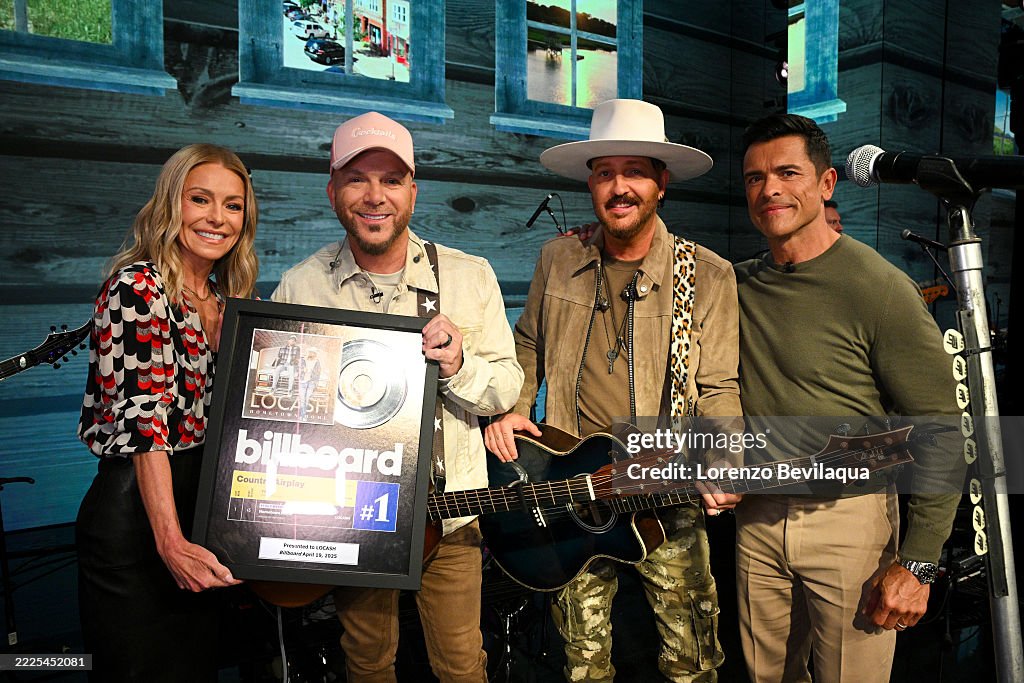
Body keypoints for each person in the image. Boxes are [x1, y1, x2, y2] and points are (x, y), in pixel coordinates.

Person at [485, 98, 743, 683]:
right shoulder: (559, 256)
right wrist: (515, 410)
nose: (618, 186)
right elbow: (529, 345)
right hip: (574, 487)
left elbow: (719, 387)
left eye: (635, 172)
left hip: (666, 488)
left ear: (661, 183)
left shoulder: (707, 275)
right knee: (581, 662)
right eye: (604, 172)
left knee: (694, 659)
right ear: (591, 183)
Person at [271, 111, 523, 683]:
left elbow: (508, 387)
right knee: (367, 663)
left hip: (451, 516)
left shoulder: (469, 275)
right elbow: (282, 417)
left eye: (390, 180)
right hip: (352, 521)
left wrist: (458, 363)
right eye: (358, 179)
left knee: (462, 666)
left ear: (413, 191)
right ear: (333, 190)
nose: (374, 196)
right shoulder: (300, 287)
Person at [734, 113, 965, 683]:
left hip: (850, 520)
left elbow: (940, 427)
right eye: (755, 178)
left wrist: (919, 562)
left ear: (827, 183)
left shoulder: (880, 287)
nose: (770, 190)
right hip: (757, 519)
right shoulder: (733, 283)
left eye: (788, 172)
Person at [76, 144, 258, 681]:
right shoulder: (137, 288)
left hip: (197, 507)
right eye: (199, 199)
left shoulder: (226, 301)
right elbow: (144, 426)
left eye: (232, 205)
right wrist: (170, 541)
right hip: (138, 517)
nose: (216, 218)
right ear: (170, 203)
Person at [297, 347, 321, 420]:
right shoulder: (303, 360)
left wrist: (315, 380)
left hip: (311, 382)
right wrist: (303, 370)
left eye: (313, 353)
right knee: (302, 399)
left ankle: (303, 415)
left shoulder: (317, 361)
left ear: (315, 354)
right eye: (310, 352)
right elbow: (298, 368)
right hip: (302, 381)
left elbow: (318, 372)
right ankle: (302, 415)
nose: (311, 354)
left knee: (307, 399)